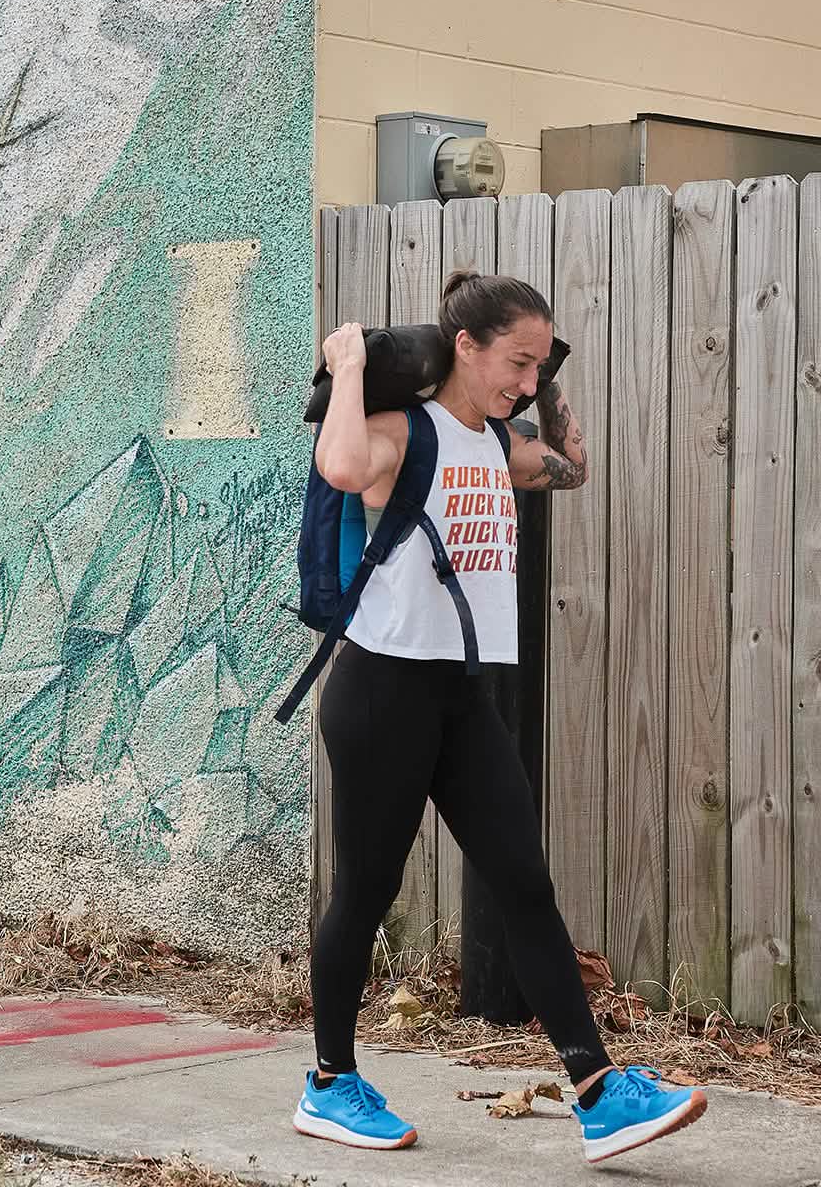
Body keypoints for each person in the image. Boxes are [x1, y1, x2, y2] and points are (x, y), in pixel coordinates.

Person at [292, 271, 707, 1164]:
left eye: (538, 362)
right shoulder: (407, 433)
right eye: (513, 360)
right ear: (463, 348)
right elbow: (339, 466)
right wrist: (349, 360)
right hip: (382, 690)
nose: (525, 378)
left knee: (524, 881)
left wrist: (544, 381)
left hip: (462, 694)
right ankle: (329, 1082)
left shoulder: (497, 444)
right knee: (366, 892)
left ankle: (600, 1092)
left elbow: (574, 467)